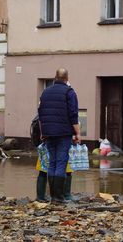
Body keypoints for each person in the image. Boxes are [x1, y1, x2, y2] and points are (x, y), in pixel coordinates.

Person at [38, 68, 80, 204]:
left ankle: (52, 196)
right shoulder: (69, 92)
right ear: (67, 78)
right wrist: (78, 133)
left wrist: (42, 132)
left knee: (52, 163)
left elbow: (40, 114)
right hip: (63, 132)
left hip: (48, 132)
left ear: (55, 78)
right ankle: (58, 197)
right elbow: (73, 114)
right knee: (61, 162)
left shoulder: (45, 92)